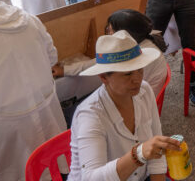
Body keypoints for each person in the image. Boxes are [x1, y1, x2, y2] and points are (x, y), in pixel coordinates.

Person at [67, 30, 180, 181]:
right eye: (127, 74)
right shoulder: (91, 115)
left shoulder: (144, 90)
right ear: (103, 77)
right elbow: (91, 178)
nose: (137, 79)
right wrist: (138, 155)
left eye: (140, 70)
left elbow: (156, 148)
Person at [0, 1, 67, 181]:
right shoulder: (29, 19)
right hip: (47, 112)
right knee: (52, 167)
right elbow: (52, 58)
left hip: (7, 128)